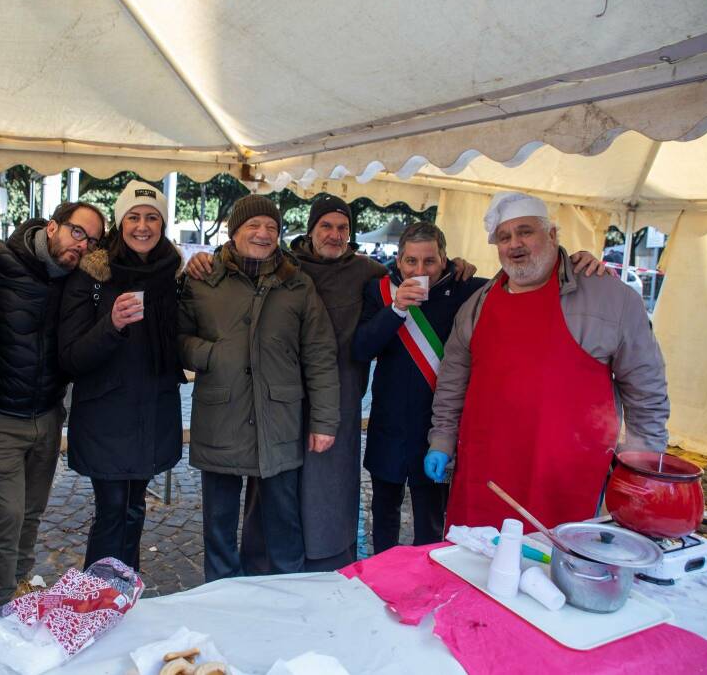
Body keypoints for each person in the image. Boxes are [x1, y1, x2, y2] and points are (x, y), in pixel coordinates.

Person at [186, 196, 480, 570]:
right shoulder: (285, 270)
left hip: (338, 395)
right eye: (326, 226)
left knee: (331, 488)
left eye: (343, 228)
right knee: (273, 488)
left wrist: (454, 267)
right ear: (310, 230)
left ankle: (329, 564)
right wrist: (204, 260)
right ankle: (262, 566)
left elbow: (413, 274)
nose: (334, 234)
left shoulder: (368, 273)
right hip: (276, 399)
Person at [426, 192, 668, 531]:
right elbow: (452, 382)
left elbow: (646, 390)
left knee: (553, 568)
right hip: (484, 472)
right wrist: (442, 441)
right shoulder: (477, 305)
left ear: (552, 234)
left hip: (565, 477)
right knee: (476, 566)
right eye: (504, 237)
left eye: (525, 231)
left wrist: (642, 466)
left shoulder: (610, 297)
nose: (515, 244)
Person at [178, 194, 339, 582]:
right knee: (218, 523)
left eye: (271, 227)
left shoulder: (297, 284)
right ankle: (220, 595)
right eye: (254, 225)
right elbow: (175, 337)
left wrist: (325, 421)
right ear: (234, 232)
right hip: (221, 415)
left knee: (282, 520)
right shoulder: (202, 279)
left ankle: (286, 594)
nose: (263, 233)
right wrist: (213, 355)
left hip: (278, 418)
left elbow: (319, 354)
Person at [0, 202, 106, 610]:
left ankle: (19, 591)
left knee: (31, 513)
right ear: (52, 227)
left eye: (92, 241)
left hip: (48, 416)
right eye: (77, 232)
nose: (82, 245)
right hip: (0, 415)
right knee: (7, 517)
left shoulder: (78, 279)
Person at [59, 180, 183, 572]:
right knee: (112, 510)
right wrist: (111, 325)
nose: (142, 226)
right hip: (106, 416)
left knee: (134, 509)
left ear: (162, 224)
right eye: (133, 217)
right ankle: (97, 599)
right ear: (120, 222)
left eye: (151, 217)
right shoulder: (92, 275)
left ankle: (125, 593)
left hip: (153, 413)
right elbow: (71, 357)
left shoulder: (172, 276)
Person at [353, 222, 486, 551]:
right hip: (389, 423)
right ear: (399, 261)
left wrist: (580, 261)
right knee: (384, 514)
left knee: (431, 520)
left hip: (437, 429)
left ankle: (426, 585)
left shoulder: (467, 290)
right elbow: (361, 348)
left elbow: (521, 282)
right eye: (411, 261)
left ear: (445, 259)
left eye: (429, 261)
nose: (420, 269)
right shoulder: (379, 292)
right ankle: (383, 578)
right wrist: (396, 309)